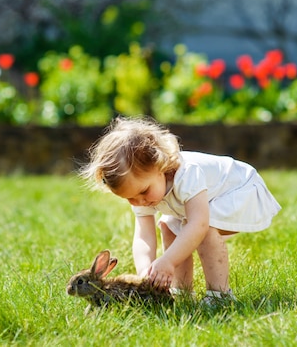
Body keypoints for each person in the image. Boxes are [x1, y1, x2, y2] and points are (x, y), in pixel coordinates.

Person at [80, 116, 281, 304]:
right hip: (212, 200)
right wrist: (144, 273)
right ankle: (182, 291)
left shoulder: (187, 174)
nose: (139, 202)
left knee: (204, 229)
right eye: (129, 198)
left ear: (160, 166)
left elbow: (198, 224)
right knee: (168, 225)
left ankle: (220, 295)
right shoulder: (143, 194)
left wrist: (167, 261)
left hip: (240, 190)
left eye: (143, 191)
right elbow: (143, 236)